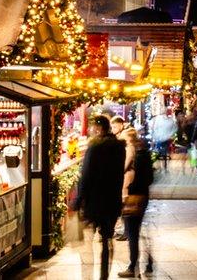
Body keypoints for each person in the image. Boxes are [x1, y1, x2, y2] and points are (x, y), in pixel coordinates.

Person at [75, 115, 126, 280]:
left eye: (92, 127)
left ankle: (87, 277)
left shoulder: (94, 148)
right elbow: (119, 174)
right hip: (112, 201)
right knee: (107, 241)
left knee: (88, 242)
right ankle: (104, 276)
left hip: (94, 201)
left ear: (98, 128)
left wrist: (78, 200)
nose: (90, 130)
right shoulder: (119, 147)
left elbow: (86, 175)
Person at [117, 128, 154, 278]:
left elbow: (132, 179)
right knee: (138, 231)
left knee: (132, 233)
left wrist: (128, 189)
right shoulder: (144, 154)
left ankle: (132, 267)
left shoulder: (134, 159)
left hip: (133, 197)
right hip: (143, 196)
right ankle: (149, 261)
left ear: (129, 141)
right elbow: (150, 178)